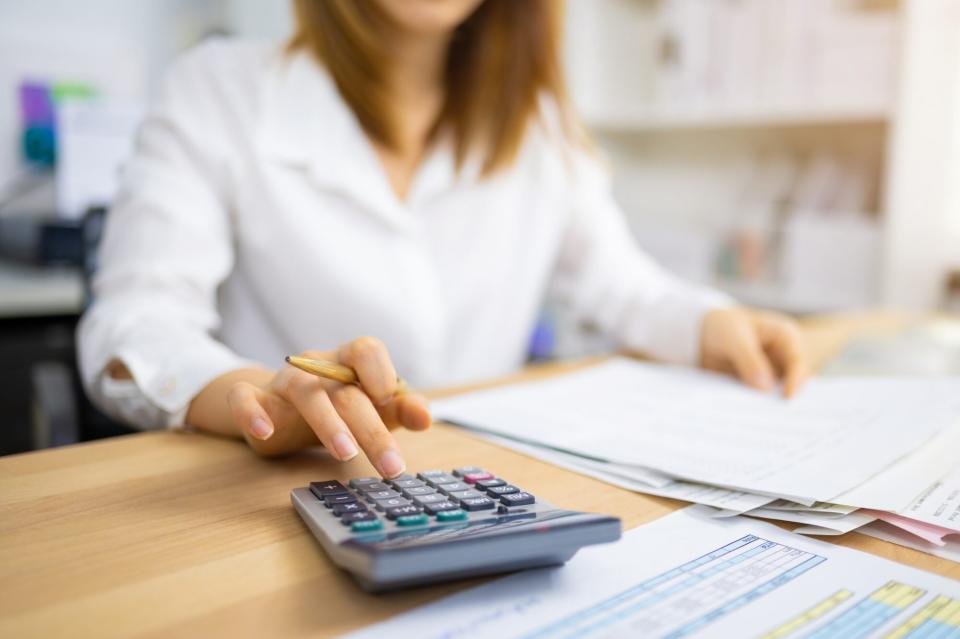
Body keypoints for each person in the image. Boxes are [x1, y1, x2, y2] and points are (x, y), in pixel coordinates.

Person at [78, 0, 808, 479]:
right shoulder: (218, 88)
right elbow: (136, 323)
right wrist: (254, 397)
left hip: (483, 491)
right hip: (279, 501)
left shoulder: (539, 123)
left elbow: (623, 286)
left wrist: (711, 319)